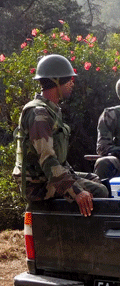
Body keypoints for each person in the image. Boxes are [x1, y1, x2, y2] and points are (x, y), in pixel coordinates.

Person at [12, 54, 108, 217]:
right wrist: (76, 191)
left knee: (95, 179)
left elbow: (58, 159)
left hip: (47, 178)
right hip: (37, 185)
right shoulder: (39, 114)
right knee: (100, 191)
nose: (72, 83)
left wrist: (72, 178)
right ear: (57, 82)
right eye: (69, 79)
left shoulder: (51, 110)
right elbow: (47, 160)